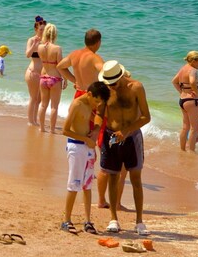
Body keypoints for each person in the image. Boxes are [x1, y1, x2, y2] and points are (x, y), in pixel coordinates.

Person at [98, 61, 152, 236]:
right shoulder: (105, 89)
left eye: (113, 82)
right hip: (111, 136)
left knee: (136, 178)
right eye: (109, 83)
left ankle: (139, 221)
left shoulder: (136, 88)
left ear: (121, 76)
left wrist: (127, 131)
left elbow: (146, 116)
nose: (111, 86)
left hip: (132, 137)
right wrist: (93, 133)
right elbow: (99, 113)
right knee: (113, 177)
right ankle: (113, 219)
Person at [61, 82, 111, 235]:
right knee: (74, 184)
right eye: (96, 101)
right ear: (90, 94)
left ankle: (88, 221)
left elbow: (97, 118)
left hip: (88, 147)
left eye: (99, 103)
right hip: (76, 146)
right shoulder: (77, 104)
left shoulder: (90, 104)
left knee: (87, 185)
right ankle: (66, 220)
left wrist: (95, 131)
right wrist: (85, 140)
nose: (97, 105)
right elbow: (65, 130)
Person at [38, 24, 74, 134]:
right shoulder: (57, 48)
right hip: (55, 79)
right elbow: (60, 66)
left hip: (43, 77)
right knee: (54, 106)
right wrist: (66, 79)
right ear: (55, 34)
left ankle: (42, 128)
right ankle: (52, 129)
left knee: (43, 105)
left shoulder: (39, 47)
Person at [171, 51, 198, 152]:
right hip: (192, 102)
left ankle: (182, 150)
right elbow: (192, 81)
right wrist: (195, 92)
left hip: (183, 100)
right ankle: (191, 153)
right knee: (194, 129)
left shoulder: (183, 69)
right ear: (194, 61)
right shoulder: (193, 70)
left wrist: (182, 92)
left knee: (185, 127)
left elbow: (174, 81)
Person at [23, 16, 47, 126]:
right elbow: (27, 55)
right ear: (36, 29)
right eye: (41, 29)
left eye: (44, 29)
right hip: (32, 72)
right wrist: (34, 45)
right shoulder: (31, 40)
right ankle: (30, 121)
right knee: (33, 98)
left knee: (40, 100)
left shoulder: (46, 41)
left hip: (42, 74)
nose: (42, 31)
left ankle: (35, 121)